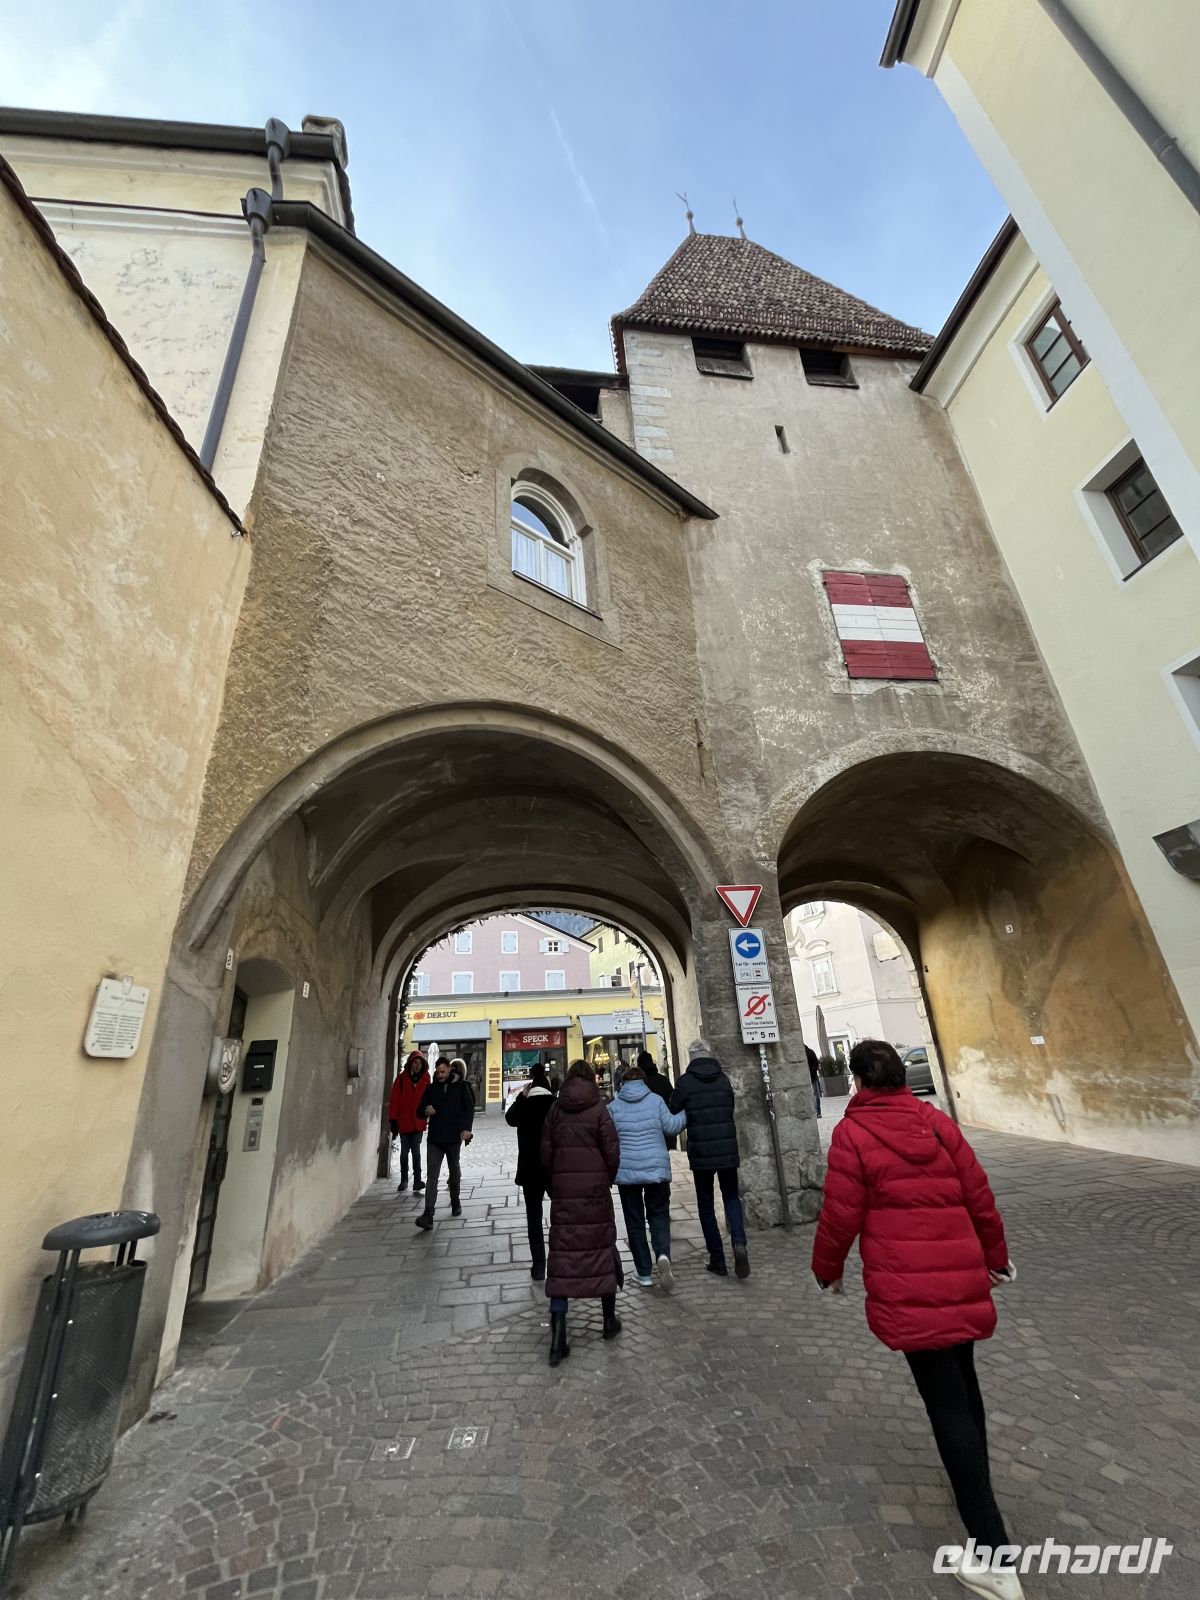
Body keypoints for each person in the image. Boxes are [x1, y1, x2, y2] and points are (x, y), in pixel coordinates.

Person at [812, 1040, 1020, 1600]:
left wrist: (826, 1270)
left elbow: (839, 1214)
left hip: (909, 1288)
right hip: (958, 1279)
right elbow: (980, 1196)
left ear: (856, 1080)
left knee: (947, 1404)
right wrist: (996, 1259)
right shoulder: (935, 1123)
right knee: (964, 1389)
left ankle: (993, 1551)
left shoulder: (853, 1135)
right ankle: (981, 1498)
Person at [539, 1060, 621, 1366]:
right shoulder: (600, 1109)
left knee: (561, 1259)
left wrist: (555, 1183)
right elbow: (613, 1151)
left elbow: (545, 1154)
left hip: (565, 1194)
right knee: (602, 1250)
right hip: (594, 1194)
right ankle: (609, 1321)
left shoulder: (556, 1110)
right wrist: (605, 1180)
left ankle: (558, 1338)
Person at [670, 1039, 750, 1280]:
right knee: (731, 1197)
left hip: (702, 1151)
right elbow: (730, 1107)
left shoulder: (685, 1082)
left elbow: (674, 1108)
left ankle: (717, 1259)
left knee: (706, 1206)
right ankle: (739, 1243)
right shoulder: (723, 1079)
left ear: (691, 1057)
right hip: (726, 1148)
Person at [609, 1064, 686, 1290]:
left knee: (635, 1222)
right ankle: (662, 1255)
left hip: (628, 1172)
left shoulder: (614, 1107)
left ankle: (643, 1272)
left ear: (622, 1083)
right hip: (656, 1169)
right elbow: (672, 1127)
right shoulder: (655, 1101)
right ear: (643, 1081)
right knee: (659, 1214)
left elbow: (608, 1139)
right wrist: (688, 1112)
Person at [505, 1063, 555, 1280]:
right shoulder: (556, 1105)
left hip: (530, 1170)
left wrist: (520, 1097)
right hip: (554, 1169)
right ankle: (561, 1257)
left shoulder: (523, 1106)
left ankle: (538, 1266)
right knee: (561, 1214)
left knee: (533, 1218)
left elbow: (509, 1119)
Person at [414, 1056, 475, 1229]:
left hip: (453, 1138)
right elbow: (419, 1111)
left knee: (454, 1170)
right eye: (438, 1072)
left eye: (443, 1071)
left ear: (449, 1069)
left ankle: (455, 1200)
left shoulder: (461, 1087)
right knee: (432, 1176)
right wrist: (426, 1111)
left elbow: (468, 1108)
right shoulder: (431, 1089)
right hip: (435, 1139)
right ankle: (428, 1214)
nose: (440, 1075)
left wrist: (466, 1128)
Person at [389, 1050, 430, 1194]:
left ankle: (417, 1181)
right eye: (415, 1062)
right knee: (404, 1153)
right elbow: (394, 1100)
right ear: (410, 1064)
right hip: (404, 1122)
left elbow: (429, 1098)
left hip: (418, 1121)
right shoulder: (401, 1079)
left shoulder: (426, 1078)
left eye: (419, 1063)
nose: (417, 1065)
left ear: (422, 1064)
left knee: (416, 1152)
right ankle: (404, 1179)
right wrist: (393, 1119)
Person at [637, 1049, 677, 1150]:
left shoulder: (638, 1083)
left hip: (644, 1131)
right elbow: (673, 1102)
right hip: (663, 1128)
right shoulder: (663, 1080)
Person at [806, 1044, 822, 1119]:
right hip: (813, 1075)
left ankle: (816, 1111)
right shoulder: (810, 1052)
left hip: (810, 1076)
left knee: (814, 1094)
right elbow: (816, 1063)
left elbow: (816, 1063)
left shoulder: (807, 1053)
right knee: (816, 1094)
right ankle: (817, 1112)